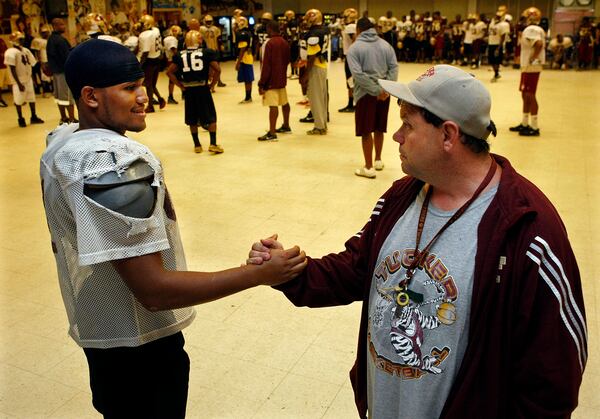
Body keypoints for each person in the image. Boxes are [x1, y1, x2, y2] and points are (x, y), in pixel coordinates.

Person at [248, 64, 587, 418]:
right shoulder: (402, 197)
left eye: (408, 125)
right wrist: (289, 272)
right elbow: (354, 269)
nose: (396, 136)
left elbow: (551, 383)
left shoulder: (527, 231)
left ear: (448, 136)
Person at [40, 39, 306, 418]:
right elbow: (154, 290)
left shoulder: (65, 144)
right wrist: (257, 275)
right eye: (128, 88)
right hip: (139, 349)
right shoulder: (107, 162)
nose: (143, 96)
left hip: (105, 327)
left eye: (140, 85)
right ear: (90, 97)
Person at [346, 17, 397, 179]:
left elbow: (357, 75)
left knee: (366, 131)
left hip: (365, 94)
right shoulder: (385, 45)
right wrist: (385, 88)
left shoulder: (355, 48)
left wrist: (374, 90)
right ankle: (378, 160)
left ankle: (368, 167)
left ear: (358, 30)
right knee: (379, 127)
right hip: (384, 94)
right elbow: (393, 67)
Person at [166, 30, 224, 154]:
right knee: (211, 117)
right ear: (199, 40)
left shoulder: (179, 55)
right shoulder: (207, 52)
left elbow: (169, 72)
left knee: (191, 117)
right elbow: (217, 70)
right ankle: (213, 143)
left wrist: (180, 86)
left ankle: (197, 145)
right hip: (203, 88)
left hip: (189, 90)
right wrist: (212, 84)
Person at [509, 7, 545, 137]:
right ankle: (524, 123)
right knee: (525, 94)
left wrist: (533, 58)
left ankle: (534, 127)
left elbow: (539, 43)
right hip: (528, 66)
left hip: (531, 66)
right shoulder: (535, 29)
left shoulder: (531, 29)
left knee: (530, 94)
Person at [257, 20, 291, 141]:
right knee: (284, 102)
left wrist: (262, 83)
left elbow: (266, 64)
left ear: (270, 29)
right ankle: (286, 125)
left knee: (273, 105)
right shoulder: (284, 42)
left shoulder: (269, 43)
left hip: (271, 79)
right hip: (281, 77)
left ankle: (272, 133)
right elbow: (288, 60)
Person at [4, 31, 44, 127]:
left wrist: (33, 79)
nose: (21, 40)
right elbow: (12, 69)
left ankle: (33, 116)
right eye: (19, 39)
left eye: (22, 38)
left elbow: (32, 64)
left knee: (31, 98)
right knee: (18, 100)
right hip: (19, 80)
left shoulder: (25, 50)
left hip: (28, 78)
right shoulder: (10, 52)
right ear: (13, 41)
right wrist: (18, 83)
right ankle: (20, 118)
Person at [302, 8, 329, 135]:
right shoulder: (324, 29)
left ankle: (319, 126)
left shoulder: (314, 33)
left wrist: (306, 74)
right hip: (323, 65)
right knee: (322, 96)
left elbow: (312, 56)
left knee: (315, 97)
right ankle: (322, 123)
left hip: (316, 66)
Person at [47, 17, 77, 124]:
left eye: (63, 24)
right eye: (60, 24)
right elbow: (66, 56)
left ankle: (64, 117)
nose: (63, 26)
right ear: (54, 26)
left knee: (59, 97)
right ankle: (72, 118)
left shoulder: (51, 39)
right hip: (63, 72)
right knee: (67, 96)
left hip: (56, 72)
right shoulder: (59, 40)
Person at [138, 14, 166, 113]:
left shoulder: (145, 35)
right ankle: (160, 99)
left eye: (142, 23)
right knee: (152, 84)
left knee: (148, 84)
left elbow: (145, 52)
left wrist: (139, 65)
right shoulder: (156, 30)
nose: (140, 25)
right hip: (157, 58)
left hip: (149, 61)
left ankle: (150, 106)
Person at [339, 8, 358, 113]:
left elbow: (355, 40)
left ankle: (352, 104)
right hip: (352, 56)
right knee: (351, 80)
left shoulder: (351, 27)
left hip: (350, 56)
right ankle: (353, 102)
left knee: (350, 80)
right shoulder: (353, 26)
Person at [199, 14, 226, 90]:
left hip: (214, 49)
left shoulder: (216, 29)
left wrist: (221, 46)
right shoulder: (201, 29)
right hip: (206, 50)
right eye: (207, 21)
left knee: (217, 66)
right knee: (207, 68)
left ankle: (218, 81)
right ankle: (209, 83)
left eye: (210, 21)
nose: (208, 23)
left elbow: (219, 39)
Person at [235, 16, 254, 104]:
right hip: (248, 58)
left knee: (247, 79)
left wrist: (238, 62)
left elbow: (242, 49)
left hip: (244, 59)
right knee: (248, 79)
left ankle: (248, 97)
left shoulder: (242, 33)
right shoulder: (248, 32)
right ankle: (248, 96)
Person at [487, 10, 510, 82]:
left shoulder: (504, 24)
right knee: (491, 60)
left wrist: (498, 47)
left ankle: (496, 73)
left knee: (496, 60)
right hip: (491, 43)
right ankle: (496, 73)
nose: (497, 17)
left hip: (497, 44)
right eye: (496, 16)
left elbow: (503, 37)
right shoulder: (492, 23)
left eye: (499, 16)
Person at [163, 25, 181, 104]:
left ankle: (171, 96)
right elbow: (173, 49)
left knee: (172, 79)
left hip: (169, 59)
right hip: (173, 60)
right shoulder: (172, 39)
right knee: (174, 78)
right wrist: (180, 58)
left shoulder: (167, 38)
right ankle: (183, 90)